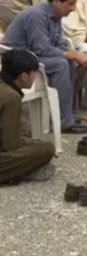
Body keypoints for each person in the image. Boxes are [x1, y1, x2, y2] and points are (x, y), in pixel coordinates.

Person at [2, 0, 87, 133]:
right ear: (56, 1)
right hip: (18, 59)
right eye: (70, 4)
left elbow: (57, 43)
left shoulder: (55, 15)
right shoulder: (37, 15)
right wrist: (73, 54)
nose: (73, 8)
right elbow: (41, 48)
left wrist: (77, 56)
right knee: (61, 64)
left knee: (72, 62)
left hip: (33, 54)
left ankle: (67, 113)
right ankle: (64, 121)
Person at [0, 49, 56, 184]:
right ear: (24, 76)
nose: (36, 76)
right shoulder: (11, 97)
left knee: (34, 142)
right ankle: (17, 172)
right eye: (34, 72)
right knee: (46, 149)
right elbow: (10, 144)